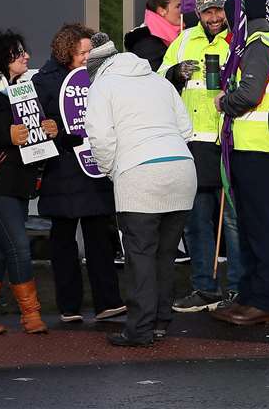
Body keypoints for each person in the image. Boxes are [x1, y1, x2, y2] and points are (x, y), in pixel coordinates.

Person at [84, 33, 196, 347]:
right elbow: (185, 129)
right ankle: (161, 320)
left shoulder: (102, 86)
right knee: (165, 254)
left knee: (140, 255)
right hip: (182, 169)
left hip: (139, 173)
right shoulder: (159, 81)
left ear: (96, 67)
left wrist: (112, 170)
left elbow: (100, 137)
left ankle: (139, 329)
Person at [159, 0, 244, 313]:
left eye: (219, 10)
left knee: (233, 222)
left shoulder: (237, 41)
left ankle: (236, 287)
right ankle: (205, 288)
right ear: (198, 13)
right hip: (192, 142)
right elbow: (158, 84)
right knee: (196, 221)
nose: (214, 17)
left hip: (227, 141)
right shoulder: (182, 42)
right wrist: (173, 74)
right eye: (208, 11)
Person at [210, 0, 269, 327]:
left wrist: (223, 102)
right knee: (249, 226)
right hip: (254, 149)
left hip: (257, 150)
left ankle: (262, 300)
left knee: (259, 227)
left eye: (230, 16)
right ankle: (248, 295)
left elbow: (250, 94)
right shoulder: (265, 43)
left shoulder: (259, 46)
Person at [35, 23, 125, 325]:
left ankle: (101, 303)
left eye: (90, 51)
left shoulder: (93, 75)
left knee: (96, 236)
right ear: (67, 52)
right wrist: (62, 136)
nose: (87, 57)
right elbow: (38, 125)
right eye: (82, 52)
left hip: (87, 167)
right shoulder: (43, 82)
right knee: (66, 240)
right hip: (63, 167)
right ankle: (75, 304)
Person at [0, 28, 52, 336]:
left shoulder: (23, 89)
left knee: (0, 248)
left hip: (19, 181)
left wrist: (47, 128)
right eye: (19, 52)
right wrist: (6, 136)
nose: (27, 56)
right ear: (3, 58)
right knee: (18, 246)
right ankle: (31, 315)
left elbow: (31, 130)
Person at [123, 0, 181, 72]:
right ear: (162, 11)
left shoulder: (164, 36)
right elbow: (154, 78)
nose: (182, 10)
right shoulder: (146, 42)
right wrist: (176, 73)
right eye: (178, 6)